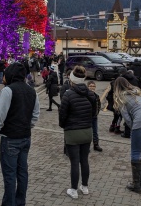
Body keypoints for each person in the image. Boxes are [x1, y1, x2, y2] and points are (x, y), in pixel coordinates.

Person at [0, 62, 40, 206]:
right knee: (22, 172)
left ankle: (9, 203)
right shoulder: (32, 91)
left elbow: (0, 114)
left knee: (10, 175)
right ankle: (20, 202)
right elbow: (36, 114)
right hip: (25, 137)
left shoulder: (7, 90)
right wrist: (27, 125)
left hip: (10, 138)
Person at [59, 66, 96, 199]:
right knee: (84, 160)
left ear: (72, 80)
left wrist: (64, 126)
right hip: (87, 131)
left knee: (74, 162)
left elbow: (62, 115)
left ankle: (73, 189)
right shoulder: (91, 94)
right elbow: (94, 112)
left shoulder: (68, 94)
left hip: (72, 131)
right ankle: (85, 187)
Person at [87, 81, 102, 152]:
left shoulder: (96, 96)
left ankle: (96, 144)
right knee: (87, 132)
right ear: (88, 87)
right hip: (87, 117)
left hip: (94, 116)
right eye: (90, 86)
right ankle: (87, 146)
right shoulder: (86, 96)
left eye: (93, 86)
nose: (92, 87)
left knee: (95, 131)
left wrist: (97, 112)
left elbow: (99, 105)